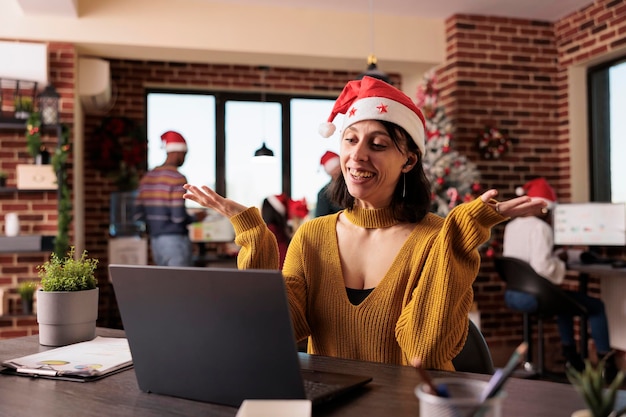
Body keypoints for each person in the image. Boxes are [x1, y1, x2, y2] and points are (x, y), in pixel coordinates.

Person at [183, 76, 545, 370]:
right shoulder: (312, 235)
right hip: (331, 404)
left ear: (408, 160)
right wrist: (254, 236)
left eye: (378, 144)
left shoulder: (435, 237)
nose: (357, 155)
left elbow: (425, 352)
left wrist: (459, 233)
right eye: (350, 140)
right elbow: (277, 329)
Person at [502, 177, 613, 373]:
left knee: (564, 303)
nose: (548, 214)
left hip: (514, 294)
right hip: (534, 296)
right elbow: (542, 267)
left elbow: (525, 262)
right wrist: (560, 262)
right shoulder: (541, 228)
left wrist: (554, 257)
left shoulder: (511, 226)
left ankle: (572, 359)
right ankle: (607, 366)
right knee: (596, 306)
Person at [133, 130, 206, 266]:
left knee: (165, 285)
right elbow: (178, 218)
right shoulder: (177, 178)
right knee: (181, 285)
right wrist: (197, 218)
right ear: (178, 153)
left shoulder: (147, 177)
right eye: (185, 154)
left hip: (156, 242)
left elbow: (138, 214)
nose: (184, 158)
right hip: (176, 242)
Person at [315, 151, 342, 217]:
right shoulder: (323, 194)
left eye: (340, 170)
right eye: (335, 174)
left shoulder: (357, 185)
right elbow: (320, 220)